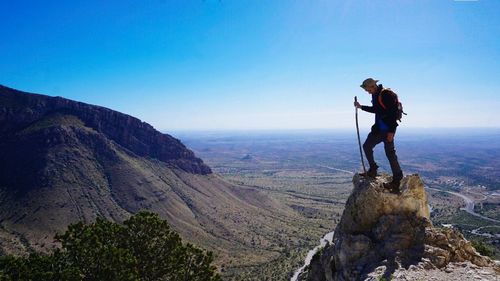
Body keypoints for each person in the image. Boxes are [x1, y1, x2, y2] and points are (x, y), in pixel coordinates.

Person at [354, 78, 403, 193]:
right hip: (379, 129)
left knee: (390, 154)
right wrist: (361, 107)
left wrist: (391, 132)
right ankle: (373, 169)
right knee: (367, 146)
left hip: (387, 130)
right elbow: (377, 110)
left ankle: (396, 181)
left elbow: (392, 113)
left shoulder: (385, 95)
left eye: (367, 89)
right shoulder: (376, 95)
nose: (367, 92)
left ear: (373, 86)